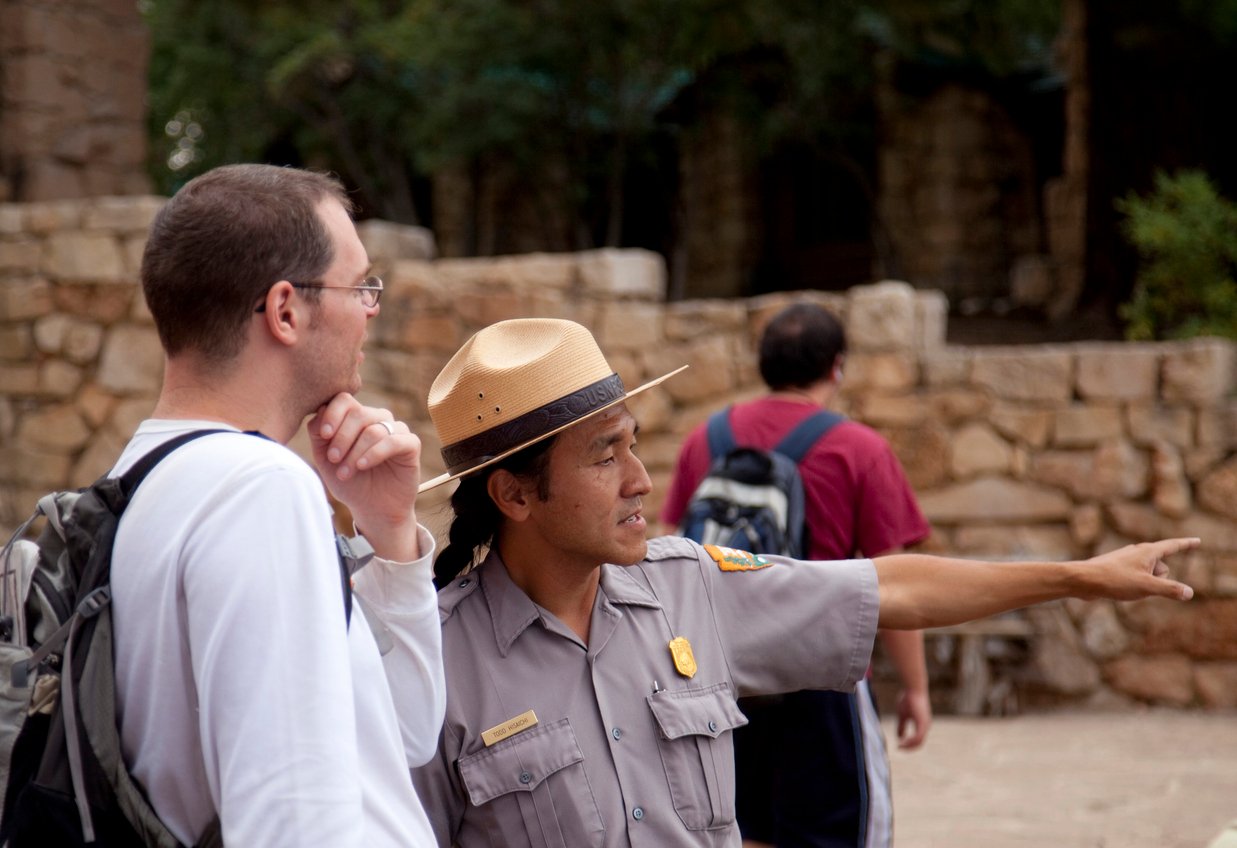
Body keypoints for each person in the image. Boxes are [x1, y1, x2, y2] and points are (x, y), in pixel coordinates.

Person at [410, 316, 1197, 848]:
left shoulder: (689, 589)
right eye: (604, 455)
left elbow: (891, 587)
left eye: (634, 446)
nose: (641, 480)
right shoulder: (431, 666)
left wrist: (1076, 578)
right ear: (514, 494)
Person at [109, 163, 444, 845]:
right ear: (286, 310)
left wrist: (389, 531)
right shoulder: (256, 488)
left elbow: (398, 736)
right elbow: (290, 819)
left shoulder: (143, 477)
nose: (371, 310)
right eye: (361, 287)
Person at [659, 301, 929, 848]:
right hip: (822, 675)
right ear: (837, 367)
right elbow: (893, 586)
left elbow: (666, 548)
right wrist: (916, 689)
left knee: (741, 830)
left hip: (724, 675)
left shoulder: (705, 440)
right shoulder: (860, 450)